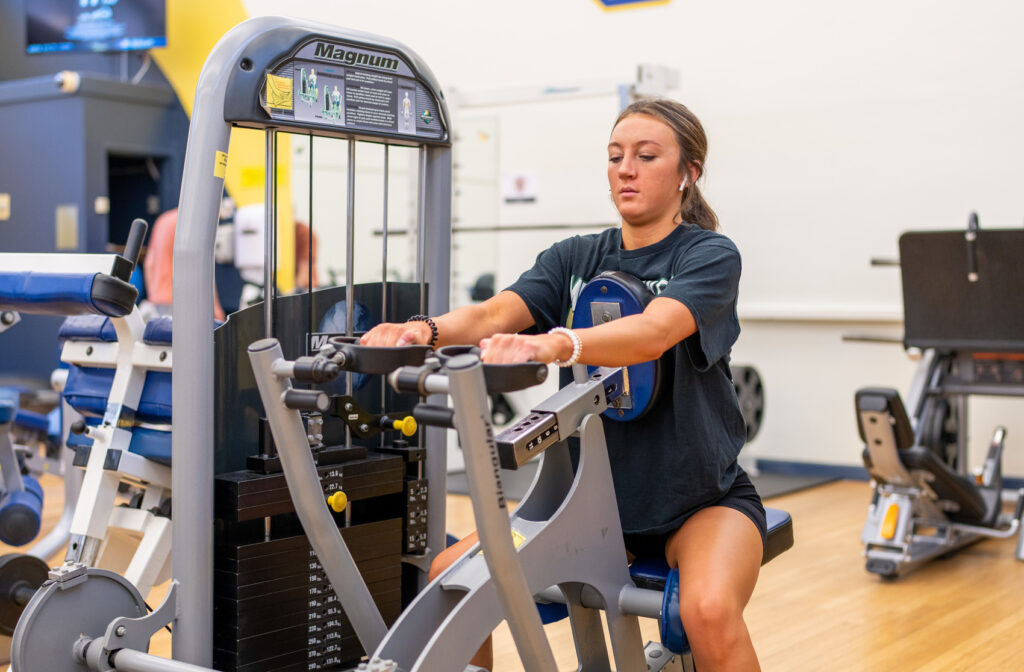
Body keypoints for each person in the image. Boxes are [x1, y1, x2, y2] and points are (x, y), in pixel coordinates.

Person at [361, 98, 765, 672]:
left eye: (647, 156)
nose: (626, 169)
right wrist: (419, 330)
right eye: (615, 156)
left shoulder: (708, 255)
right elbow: (493, 315)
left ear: (688, 173)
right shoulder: (576, 256)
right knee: (453, 580)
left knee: (707, 610)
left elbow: (652, 333)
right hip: (594, 503)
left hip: (701, 502)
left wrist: (557, 342)